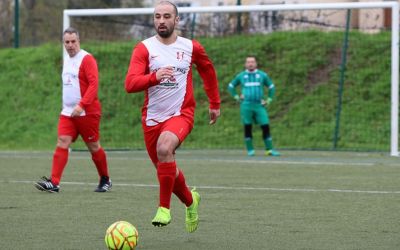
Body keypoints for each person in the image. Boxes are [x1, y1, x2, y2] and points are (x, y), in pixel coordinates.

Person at [125, 1, 220, 233]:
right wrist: (154, 77)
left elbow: (207, 70)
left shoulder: (191, 47)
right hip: (151, 119)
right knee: (168, 168)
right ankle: (191, 201)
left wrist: (214, 102)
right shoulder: (144, 49)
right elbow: (130, 84)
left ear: (176, 20)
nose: (161, 21)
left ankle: (163, 209)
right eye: (157, 16)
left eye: (167, 16)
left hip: (181, 114)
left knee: (165, 148)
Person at [34, 27, 112, 193]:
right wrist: (71, 107)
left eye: (73, 41)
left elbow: (93, 85)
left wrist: (81, 105)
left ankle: (105, 179)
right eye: (67, 42)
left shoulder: (87, 59)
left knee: (93, 146)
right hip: (68, 113)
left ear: (79, 41)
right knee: (62, 141)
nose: (70, 45)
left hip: (87, 112)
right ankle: (54, 183)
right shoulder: (66, 59)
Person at [228, 56, 280, 157]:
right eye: (248, 62)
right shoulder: (241, 76)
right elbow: (231, 86)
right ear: (245, 64)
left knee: (265, 125)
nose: (250, 64)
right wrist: (237, 97)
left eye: (252, 62)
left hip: (259, 105)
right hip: (246, 105)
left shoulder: (262, 75)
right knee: (248, 126)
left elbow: (271, 87)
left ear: (256, 63)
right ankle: (250, 150)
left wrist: (268, 100)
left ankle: (269, 150)